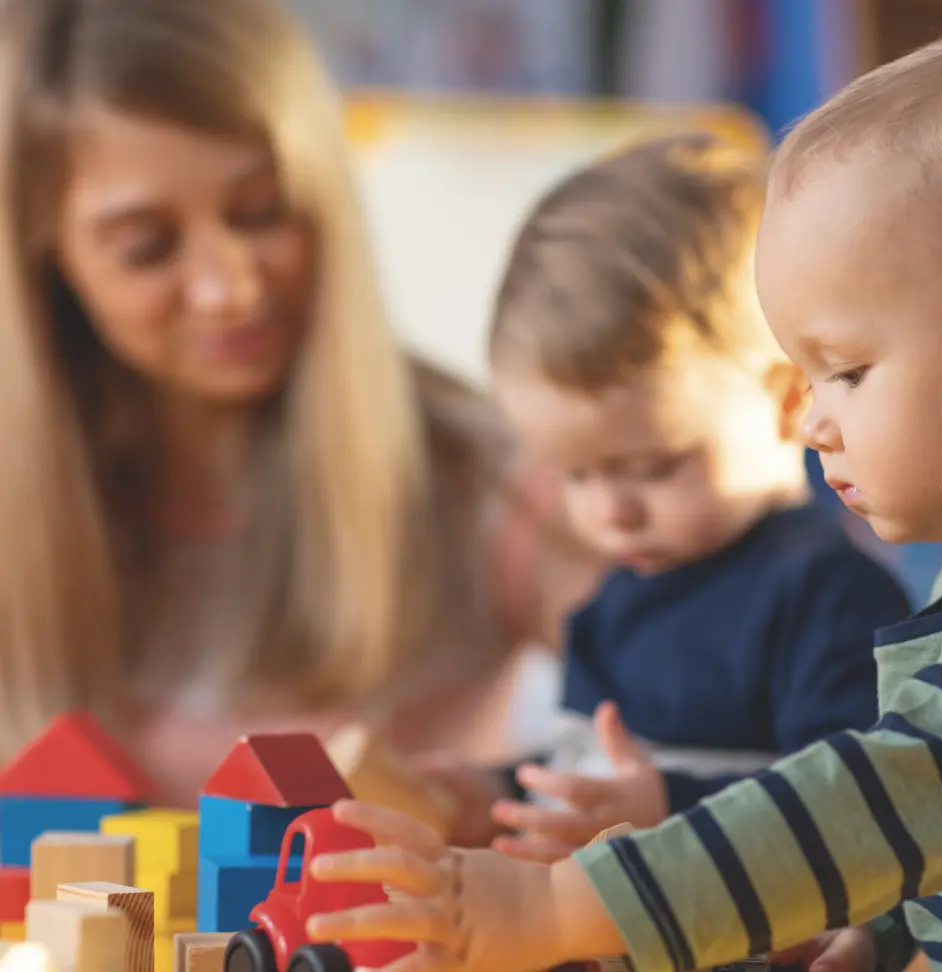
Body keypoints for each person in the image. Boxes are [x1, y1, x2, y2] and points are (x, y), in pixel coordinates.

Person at [302, 21, 942, 972]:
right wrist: (876, 936)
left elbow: (876, 804)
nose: (810, 424)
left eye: (846, 372)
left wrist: (558, 907)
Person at [0, 0, 598, 807]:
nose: (227, 290)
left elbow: (711, 721)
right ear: (51, 261)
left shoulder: (482, 479)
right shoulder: (26, 513)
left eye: (261, 213)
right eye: (147, 247)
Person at [417, 134, 910, 863]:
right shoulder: (622, 595)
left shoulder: (825, 596)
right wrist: (496, 793)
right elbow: (595, 769)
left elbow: (860, 809)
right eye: (575, 475)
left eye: (650, 467)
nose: (610, 512)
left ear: (785, 402)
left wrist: (667, 810)